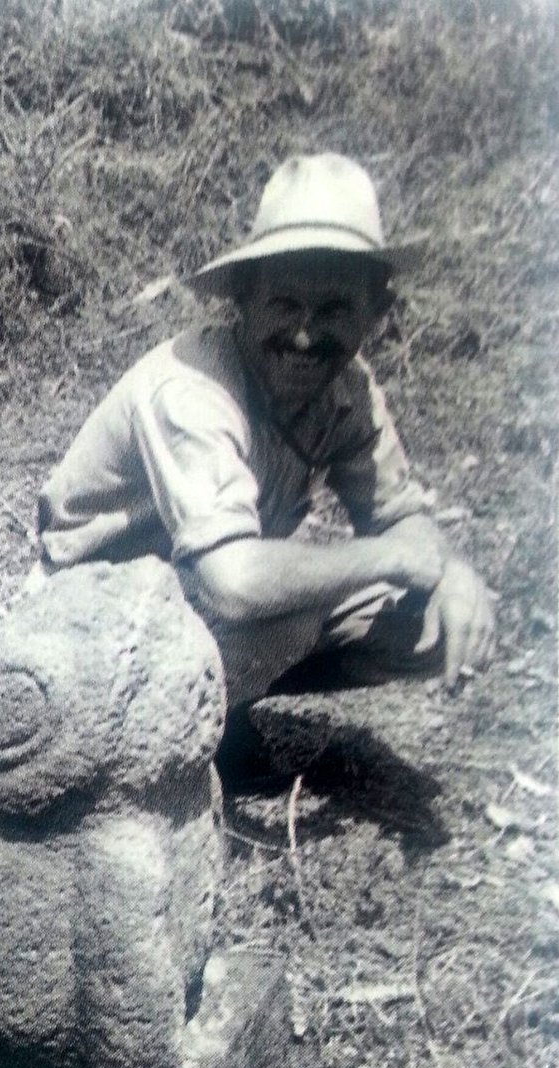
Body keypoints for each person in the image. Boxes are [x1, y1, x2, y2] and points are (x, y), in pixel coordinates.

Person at [35, 153, 495, 775]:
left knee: (427, 619)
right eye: (285, 305)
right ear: (244, 301)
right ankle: (170, 743)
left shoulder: (346, 389)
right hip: (83, 628)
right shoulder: (191, 388)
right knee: (286, 613)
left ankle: (215, 709)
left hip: (191, 612)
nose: (306, 335)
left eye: (333, 309)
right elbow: (232, 581)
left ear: (374, 310)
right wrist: (394, 558)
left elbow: (398, 513)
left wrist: (448, 572)